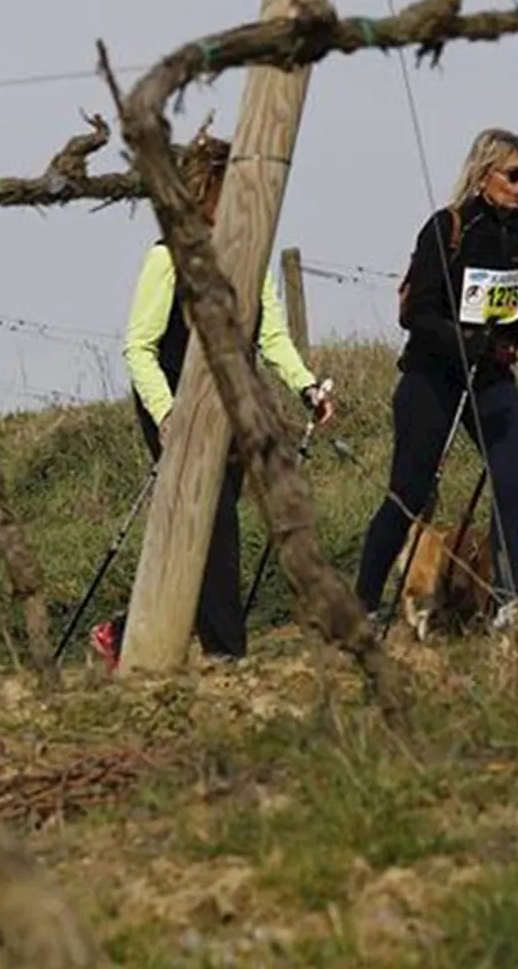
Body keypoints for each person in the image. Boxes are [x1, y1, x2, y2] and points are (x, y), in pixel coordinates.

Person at [90, 134, 335, 671]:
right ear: (204, 189)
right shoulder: (167, 257)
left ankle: (124, 632)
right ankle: (227, 653)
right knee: (213, 524)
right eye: (233, 189)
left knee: (196, 531)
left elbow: (270, 337)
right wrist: (167, 414)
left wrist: (306, 386)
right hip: (174, 401)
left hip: (230, 401)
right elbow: (138, 346)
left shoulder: (250, 257)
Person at [352, 127, 518, 643]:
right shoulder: (450, 227)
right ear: (485, 175)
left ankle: (509, 606)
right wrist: (463, 340)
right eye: (515, 174)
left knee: (512, 483)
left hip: (490, 377)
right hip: (432, 376)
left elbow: (511, 319)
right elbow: (417, 312)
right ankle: (362, 608)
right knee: (410, 493)